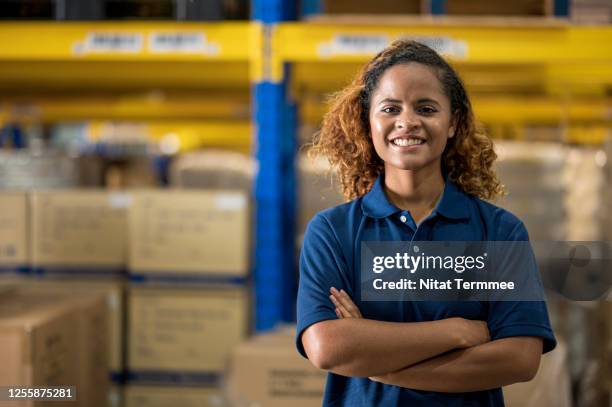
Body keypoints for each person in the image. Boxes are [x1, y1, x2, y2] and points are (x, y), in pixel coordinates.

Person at [296, 40, 556, 406]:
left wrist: (376, 363)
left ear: (453, 124)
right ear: (368, 123)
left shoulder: (498, 231)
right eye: (390, 108)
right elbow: (326, 348)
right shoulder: (333, 232)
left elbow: (519, 358)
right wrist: (456, 331)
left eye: (426, 108)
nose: (407, 121)